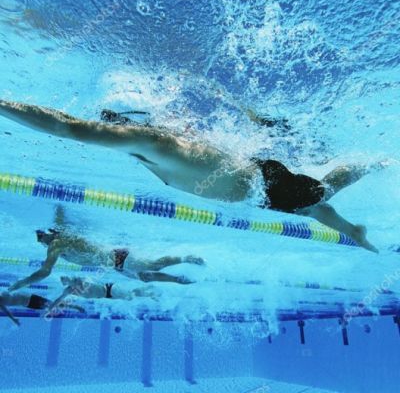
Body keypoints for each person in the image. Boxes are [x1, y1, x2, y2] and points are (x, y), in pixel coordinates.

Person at [0, 99, 380, 252]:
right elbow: (68, 126)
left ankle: (373, 162)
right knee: (312, 207)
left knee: (324, 192)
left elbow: (66, 127)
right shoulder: (150, 148)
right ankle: (355, 229)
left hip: (263, 185)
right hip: (259, 191)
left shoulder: (152, 144)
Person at [8, 227, 204, 292]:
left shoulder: (56, 244)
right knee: (145, 277)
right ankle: (179, 279)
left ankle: (186, 257)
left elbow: (45, 271)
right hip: (116, 263)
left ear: (47, 233)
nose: (40, 241)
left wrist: (22, 283)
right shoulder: (60, 240)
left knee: (153, 265)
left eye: (39, 236)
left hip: (117, 257)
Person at [47, 276, 158, 314]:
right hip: (107, 295)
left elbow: (84, 285)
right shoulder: (68, 290)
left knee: (130, 295)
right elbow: (58, 300)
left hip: (110, 289)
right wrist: (50, 309)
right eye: (65, 281)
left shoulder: (81, 280)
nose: (67, 281)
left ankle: (149, 291)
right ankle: (147, 289)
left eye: (67, 279)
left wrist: (74, 286)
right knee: (130, 296)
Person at [0, 290, 84, 325]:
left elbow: (12, 290)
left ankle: (74, 305)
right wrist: (13, 319)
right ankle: (73, 305)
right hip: (29, 304)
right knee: (52, 306)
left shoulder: (3, 293)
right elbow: (6, 311)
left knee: (52, 305)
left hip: (31, 297)